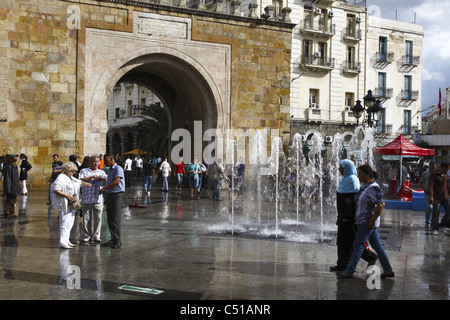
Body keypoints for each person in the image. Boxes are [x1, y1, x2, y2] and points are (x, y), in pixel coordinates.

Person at [337, 164, 394, 279]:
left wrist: (372, 220)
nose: (358, 176)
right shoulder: (365, 186)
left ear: (368, 174)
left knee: (357, 245)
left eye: (361, 174)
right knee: (377, 246)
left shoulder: (373, 187)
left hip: (367, 222)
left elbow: (380, 204)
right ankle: (388, 269)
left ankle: (350, 271)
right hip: (364, 221)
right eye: (358, 174)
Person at [330, 160, 377, 272]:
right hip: (342, 216)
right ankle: (341, 264)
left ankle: (371, 257)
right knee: (342, 242)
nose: (339, 169)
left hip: (349, 218)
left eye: (341, 167)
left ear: (347, 168)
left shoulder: (352, 180)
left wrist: (347, 216)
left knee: (351, 242)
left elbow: (353, 202)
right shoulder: (346, 179)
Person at [52, 162, 91, 249]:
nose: (73, 172)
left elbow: (78, 182)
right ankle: (62, 242)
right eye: (72, 171)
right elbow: (56, 190)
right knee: (65, 223)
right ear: (67, 170)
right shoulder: (61, 178)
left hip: (72, 204)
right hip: (65, 204)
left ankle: (66, 240)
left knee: (70, 223)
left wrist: (86, 184)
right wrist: (67, 195)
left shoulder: (70, 177)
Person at [78, 155, 107, 243]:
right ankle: (87, 235)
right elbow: (79, 180)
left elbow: (106, 179)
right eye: (94, 161)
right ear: (90, 162)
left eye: (97, 161)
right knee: (86, 218)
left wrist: (100, 178)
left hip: (97, 199)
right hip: (86, 198)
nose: (95, 163)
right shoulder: (84, 171)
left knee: (98, 218)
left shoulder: (101, 172)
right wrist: (90, 177)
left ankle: (96, 236)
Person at [99, 153, 125, 249]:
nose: (105, 163)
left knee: (115, 218)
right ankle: (113, 238)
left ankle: (118, 240)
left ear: (111, 159)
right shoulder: (110, 170)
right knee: (110, 218)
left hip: (116, 195)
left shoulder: (118, 168)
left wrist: (105, 188)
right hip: (110, 195)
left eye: (106, 161)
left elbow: (117, 181)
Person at [429, 162, 450, 235]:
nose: (447, 170)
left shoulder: (446, 175)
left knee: (449, 211)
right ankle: (435, 228)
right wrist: (431, 196)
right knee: (436, 212)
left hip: (446, 196)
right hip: (437, 196)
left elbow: (447, 186)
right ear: (442, 167)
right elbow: (431, 186)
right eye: (446, 169)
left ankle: (442, 224)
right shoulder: (434, 175)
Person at [419, 162, 436, 229]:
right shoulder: (425, 174)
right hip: (427, 192)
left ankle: (433, 221)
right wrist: (425, 189)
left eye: (434, 168)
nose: (433, 170)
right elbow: (421, 182)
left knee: (435, 208)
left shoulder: (436, 174)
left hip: (435, 193)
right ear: (429, 167)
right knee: (429, 207)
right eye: (432, 168)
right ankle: (428, 221)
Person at [3, 154, 20, 219]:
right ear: (11, 159)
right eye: (14, 157)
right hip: (10, 186)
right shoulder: (8, 167)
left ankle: (12, 213)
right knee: (9, 200)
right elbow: (8, 179)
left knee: (13, 200)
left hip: (15, 186)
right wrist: (8, 188)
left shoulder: (15, 166)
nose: (16, 158)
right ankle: (7, 213)